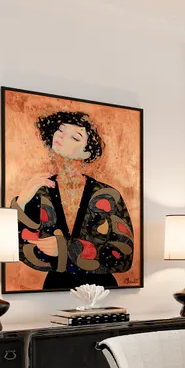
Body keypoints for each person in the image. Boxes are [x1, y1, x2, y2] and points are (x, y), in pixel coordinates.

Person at [10, 110, 134, 289]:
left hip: (102, 292)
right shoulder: (40, 191)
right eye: (60, 130)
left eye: (75, 138)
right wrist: (21, 202)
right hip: (53, 292)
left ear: (87, 153)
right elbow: (22, 249)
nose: (62, 137)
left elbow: (123, 257)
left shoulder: (108, 195)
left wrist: (65, 249)